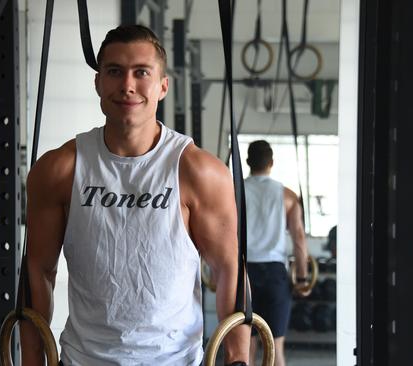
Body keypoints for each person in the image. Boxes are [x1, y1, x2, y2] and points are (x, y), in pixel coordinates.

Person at [20, 25, 249, 365]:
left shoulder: (199, 172)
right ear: (98, 82)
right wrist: (32, 359)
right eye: (114, 72)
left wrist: (238, 358)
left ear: (163, 86)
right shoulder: (59, 170)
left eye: (141, 72)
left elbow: (229, 268)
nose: (127, 86)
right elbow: (38, 269)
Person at [244, 140, 310, 366]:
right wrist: (302, 278)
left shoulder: (234, 192)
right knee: (275, 347)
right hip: (275, 274)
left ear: (247, 162)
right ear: (271, 163)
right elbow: (299, 238)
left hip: (244, 274)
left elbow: (222, 235)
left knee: (247, 347)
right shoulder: (288, 196)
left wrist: (215, 275)